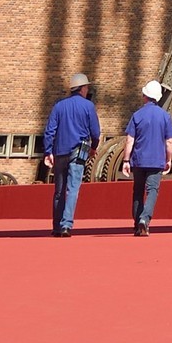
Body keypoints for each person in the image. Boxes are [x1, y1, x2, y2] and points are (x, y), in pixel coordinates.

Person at [42, 73, 101, 237]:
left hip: (60, 151)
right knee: (73, 188)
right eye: (87, 87)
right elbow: (95, 132)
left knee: (59, 190)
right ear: (82, 89)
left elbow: (49, 131)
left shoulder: (59, 106)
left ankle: (56, 226)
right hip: (79, 150)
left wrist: (48, 151)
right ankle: (66, 224)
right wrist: (93, 148)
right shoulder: (88, 106)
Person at [121, 79, 172, 236]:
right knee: (152, 190)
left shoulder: (137, 115)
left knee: (138, 191)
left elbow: (130, 140)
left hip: (138, 160)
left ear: (145, 96)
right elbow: (169, 141)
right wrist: (168, 159)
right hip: (156, 161)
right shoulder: (165, 116)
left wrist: (126, 160)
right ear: (157, 97)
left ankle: (137, 222)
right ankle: (145, 220)